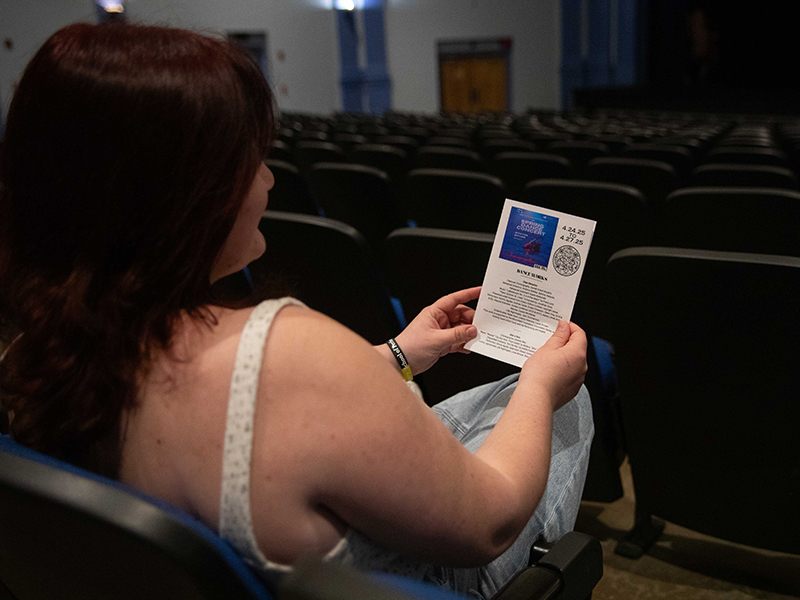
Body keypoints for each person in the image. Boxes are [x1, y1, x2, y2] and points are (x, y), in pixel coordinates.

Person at [0, 23, 593, 599]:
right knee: (565, 402)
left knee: (499, 398)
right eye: (250, 160)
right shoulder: (288, 351)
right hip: (425, 577)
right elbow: (490, 523)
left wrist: (397, 354)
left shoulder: (37, 353)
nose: (267, 179)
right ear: (185, 194)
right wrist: (542, 387)